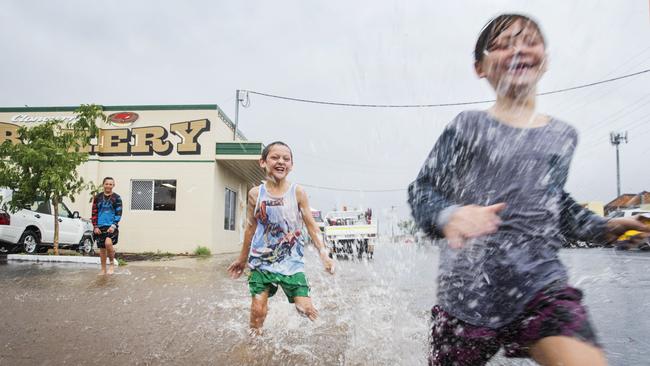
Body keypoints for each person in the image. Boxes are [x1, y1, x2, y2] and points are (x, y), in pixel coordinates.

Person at [407, 13, 650, 366]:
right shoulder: (467, 127)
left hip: (540, 285)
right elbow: (422, 190)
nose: (518, 49)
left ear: (545, 58)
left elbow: (556, 204)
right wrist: (450, 215)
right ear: (480, 67)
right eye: (503, 45)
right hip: (466, 294)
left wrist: (605, 227)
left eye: (529, 41)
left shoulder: (563, 136)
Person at [227, 141, 335, 335]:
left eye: (286, 158)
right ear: (263, 162)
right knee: (257, 311)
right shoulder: (255, 194)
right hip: (261, 262)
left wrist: (324, 255)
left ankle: (328, 333)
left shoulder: (298, 192)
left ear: (291, 165)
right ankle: (254, 345)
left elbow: (311, 226)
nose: (281, 162)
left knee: (306, 309)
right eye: (275, 157)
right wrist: (242, 260)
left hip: (291, 263)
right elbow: (250, 228)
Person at [91, 177, 123, 275]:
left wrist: (114, 225)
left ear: (113, 185)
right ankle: (103, 269)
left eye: (110, 184)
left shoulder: (117, 198)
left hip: (111, 226)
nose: (108, 186)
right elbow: (94, 212)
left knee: (108, 244)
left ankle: (112, 264)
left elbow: (119, 212)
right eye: (106, 184)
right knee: (102, 249)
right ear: (103, 184)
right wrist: (95, 226)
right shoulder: (97, 197)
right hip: (100, 226)